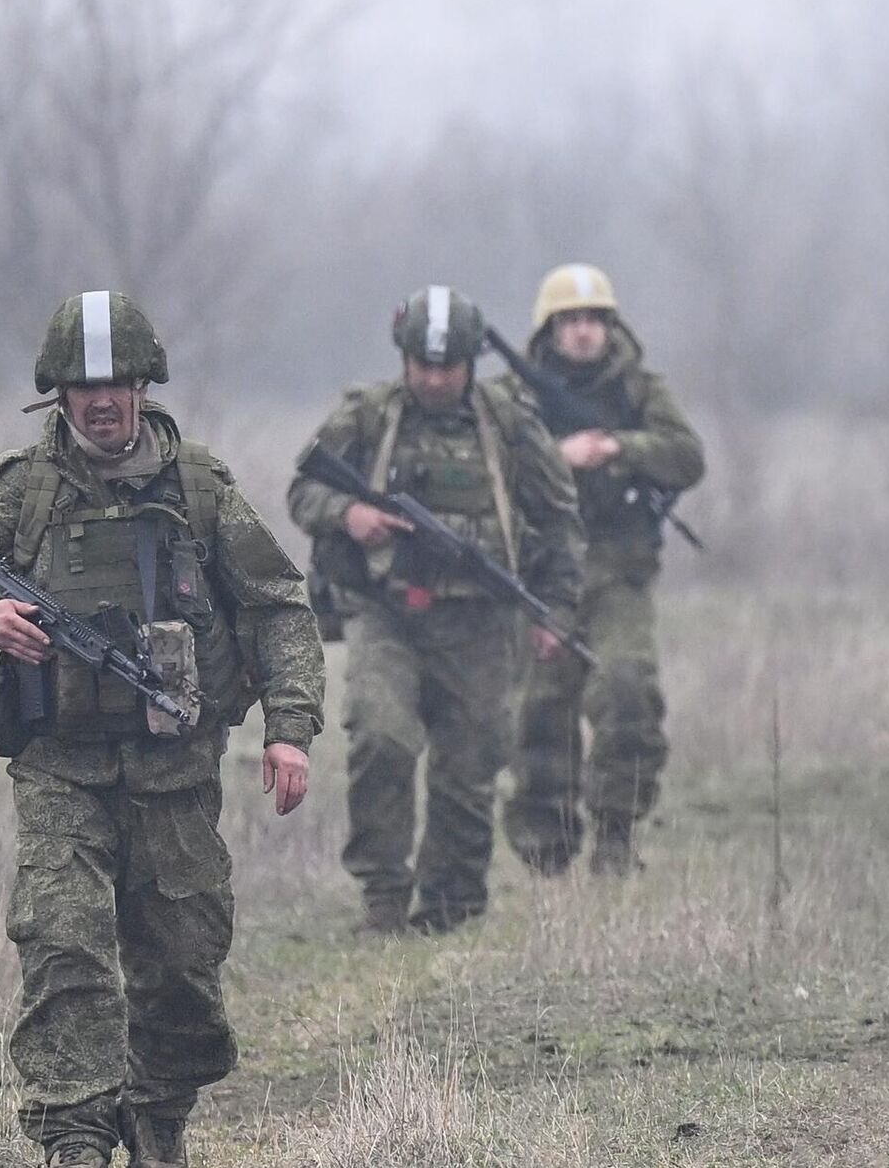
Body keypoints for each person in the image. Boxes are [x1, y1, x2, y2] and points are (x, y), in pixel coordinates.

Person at [0, 291, 324, 1168]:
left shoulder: (199, 490)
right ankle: (72, 1134)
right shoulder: (22, 490)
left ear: (144, 387)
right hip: (58, 762)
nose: (101, 400)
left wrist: (290, 729)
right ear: (58, 394)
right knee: (62, 938)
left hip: (174, 767)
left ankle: (159, 1115)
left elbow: (278, 608)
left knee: (180, 954)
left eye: (116, 384)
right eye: (83, 386)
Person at [287, 286, 584, 934]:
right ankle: (384, 895)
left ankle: (452, 903)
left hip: (481, 621)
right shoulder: (369, 415)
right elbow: (303, 489)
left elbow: (560, 518)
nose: (434, 379)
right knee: (381, 734)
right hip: (385, 612)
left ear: (471, 363)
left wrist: (557, 609)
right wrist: (349, 512)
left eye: (448, 366)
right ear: (405, 359)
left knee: (470, 762)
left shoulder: (509, 423)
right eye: (423, 364)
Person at [498, 265, 707, 876]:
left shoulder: (639, 390)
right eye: (571, 320)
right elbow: (489, 467)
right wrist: (556, 457)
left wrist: (619, 447)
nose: (584, 332)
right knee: (540, 709)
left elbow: (686, 456)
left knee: (627, 688)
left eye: (594, 320)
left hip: (619, 569)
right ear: (550, 329)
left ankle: (617, 834)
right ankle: (545, 852)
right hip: (542, 573)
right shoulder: (515, 395)